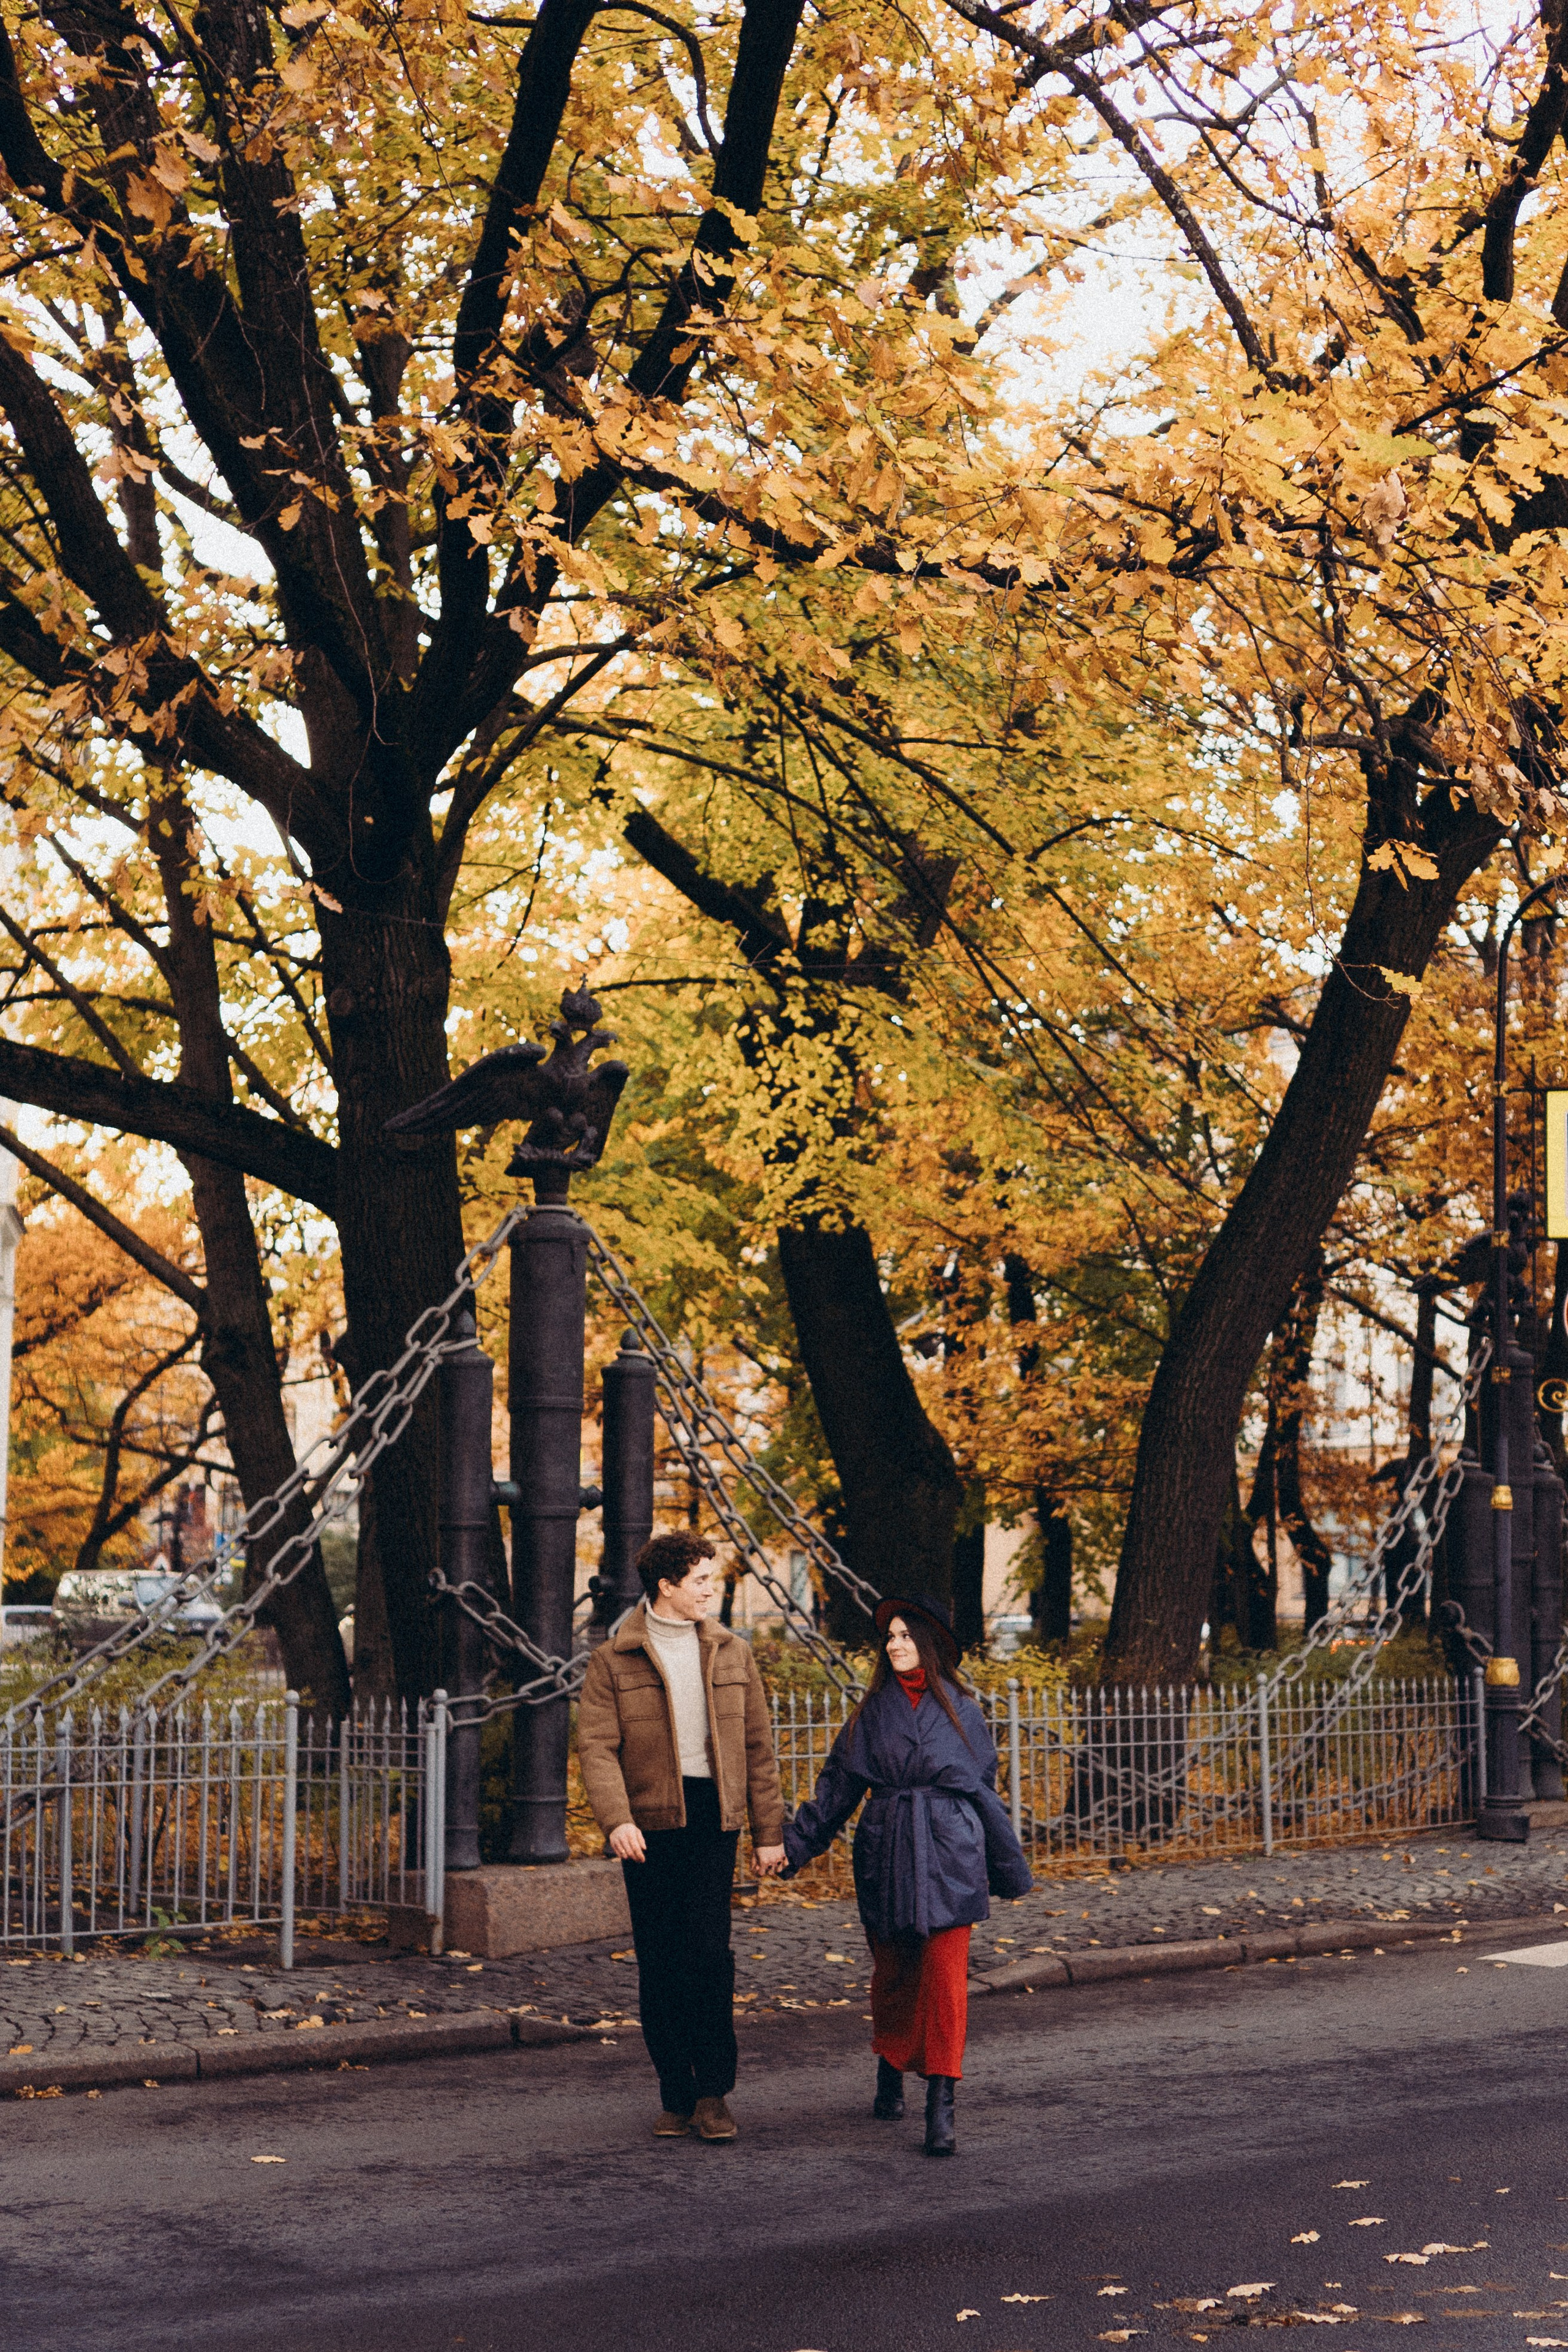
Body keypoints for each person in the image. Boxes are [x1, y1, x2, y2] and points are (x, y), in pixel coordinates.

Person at [782, 1594, 1032, 2156]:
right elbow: (838, 1789)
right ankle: (890, 2064)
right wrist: (794, 1847)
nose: (895, 1644)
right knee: (894, 1975)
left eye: (905, 1635)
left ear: (930, 1643)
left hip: (951, 1854)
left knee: (945, 1981)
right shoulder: (872, 1713)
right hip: (887, 1851)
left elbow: (984, 1793)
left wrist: (1006, 1864)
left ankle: (941, 2103)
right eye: (890, 1637)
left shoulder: (965, 1712)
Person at [577, 1530, 787, 2143]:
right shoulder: (613, 1659)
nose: (710, 1591)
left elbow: (758, 1749)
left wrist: (769, 1832)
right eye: (701, 1581)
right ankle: (675, 2092)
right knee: (660, 1959)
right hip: (646, 1825)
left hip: (712, 1818)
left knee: (708, 1956)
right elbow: (597, 1747)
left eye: (710, 1580)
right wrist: (617, 1819)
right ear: (666, 1586)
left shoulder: (732, 1652)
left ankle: (712, 2094)